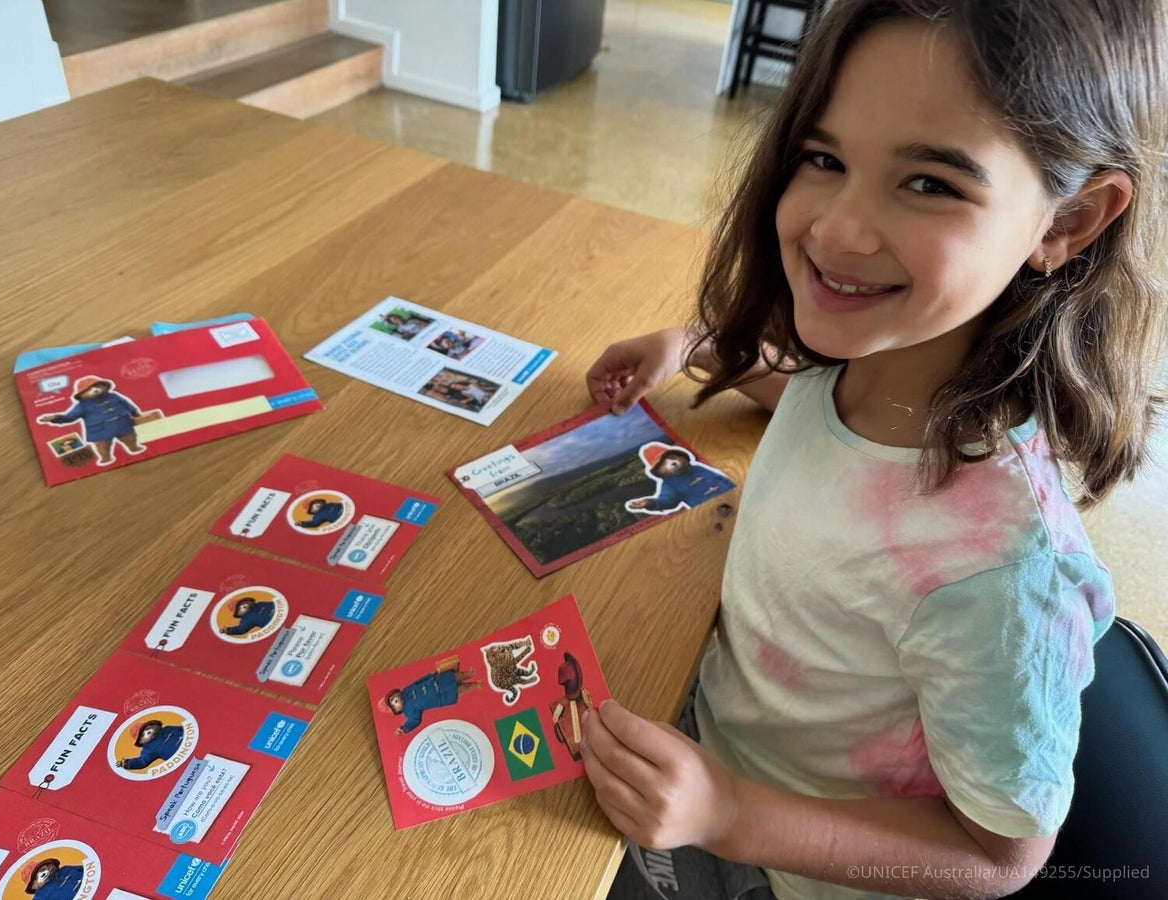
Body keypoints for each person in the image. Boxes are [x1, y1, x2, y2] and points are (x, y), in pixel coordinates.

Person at [581, 2, 1167, 899]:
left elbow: (995, 859)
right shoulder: (868, 363)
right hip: (714, 744)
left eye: (931, 183)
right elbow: (812, 407)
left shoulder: (999, 579)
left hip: (777, 859)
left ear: (1069, 219)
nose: (837, 231)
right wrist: (694, 345)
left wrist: (729, 813)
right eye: (824, 159)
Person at [36, 375, 147, 466]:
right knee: (102, 446)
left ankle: (134, 447)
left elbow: (127, 404)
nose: (95, 390)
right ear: (81, 394)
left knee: (130, 438)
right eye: (88, 389)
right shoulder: (82, 406)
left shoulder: (113, 396)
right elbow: (71, 416)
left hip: (123, 424)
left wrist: (135, 413)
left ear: (104, 386)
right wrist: (57, 418)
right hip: (99, 430)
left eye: (98, 386)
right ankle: (105, 458)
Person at [381, 656, 483, 735]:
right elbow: (415, 720)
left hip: (436, 681)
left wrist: (430, 676)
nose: (395, 700)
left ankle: (469, 674)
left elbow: (417, 682)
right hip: (440, 697)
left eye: (393, 698)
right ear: (396, 710)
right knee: (460, 689)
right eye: (393, 704)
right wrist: (404, 728)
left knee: (455, 677)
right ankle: (475, 684)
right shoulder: (409, 711)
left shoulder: (406, 690)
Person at [626, 443, 735, 514]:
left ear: (681, 457)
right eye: (663, 464)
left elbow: (720, 478)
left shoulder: (697, 468)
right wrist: (650, 503)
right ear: (658, 471)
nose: (672, 463)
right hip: (712, 511)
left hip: (734, 496)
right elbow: (668, 500)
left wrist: (734, 486)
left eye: (673, 458)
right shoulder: (669, 485)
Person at [116, 719, 185, 771]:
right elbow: (142, 761)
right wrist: (128, 763)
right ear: (140, 740)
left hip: (191, 743)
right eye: (143, 735)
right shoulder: (148, 748)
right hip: (182, 757)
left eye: (148, 729)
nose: (148, 732)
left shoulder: (167, 728)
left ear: (153, 725)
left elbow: (184, 729)